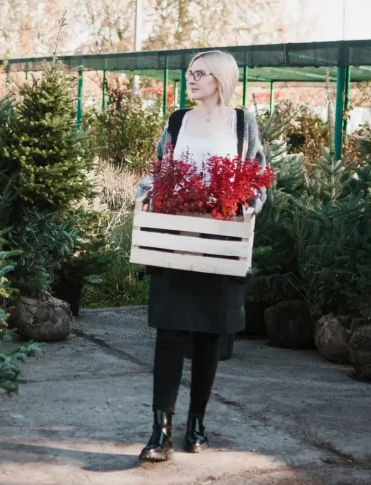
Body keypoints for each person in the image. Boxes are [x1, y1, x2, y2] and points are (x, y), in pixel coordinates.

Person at [135, 50, 267, 462]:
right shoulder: (177, 121)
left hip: (220, 240)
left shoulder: (242, 123)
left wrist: (247, 203)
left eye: (200, 74)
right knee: (169, 333)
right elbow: (160, 170)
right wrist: (144, 194)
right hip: (175, 238)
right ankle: (160, 431)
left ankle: (196, 422)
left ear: (221, 79)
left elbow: (259, 178)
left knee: (210, 335)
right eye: (189, 74)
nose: (191, 80)